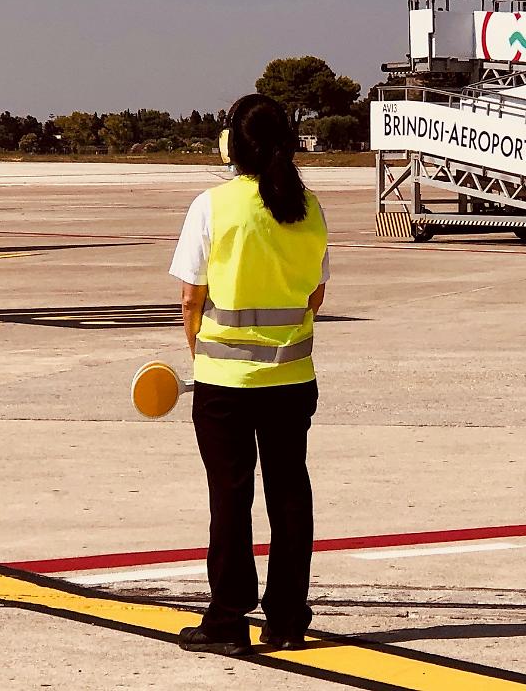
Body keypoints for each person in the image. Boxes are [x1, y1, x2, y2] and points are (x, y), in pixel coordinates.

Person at [168, 94, 329, 655]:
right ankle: (287, 618)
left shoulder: (212, 206)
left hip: (225, 385)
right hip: (292, 378)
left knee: (229, 498)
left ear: (231, 145)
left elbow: (191, 298)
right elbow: (315, 293)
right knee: (289, 493)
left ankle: (228, 619)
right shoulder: (310, 207)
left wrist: (199, 353)